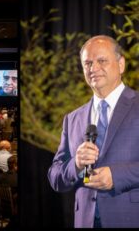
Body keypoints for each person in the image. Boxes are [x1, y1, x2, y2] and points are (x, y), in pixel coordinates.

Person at [47, 35, 139, 228]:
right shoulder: (72, 119)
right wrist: (76, 164)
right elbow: (55, 176)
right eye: (87, 63)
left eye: (102, 61)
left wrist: (117, 176)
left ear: (121, 64)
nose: (93, 68)